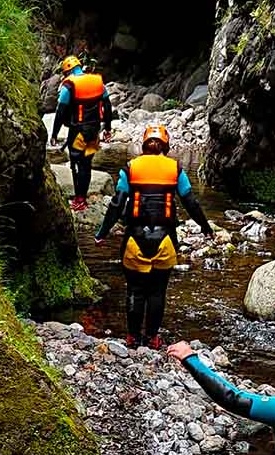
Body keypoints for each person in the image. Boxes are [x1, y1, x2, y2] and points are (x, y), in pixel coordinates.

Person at [94, 124, 213, 349]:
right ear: (165, 146)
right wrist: (205, 227)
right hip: (165, 240)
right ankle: (151, 337)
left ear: (144, 144)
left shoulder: (130, 168)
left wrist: (102, 232)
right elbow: (191, 202)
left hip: (134, 239)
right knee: (157, 292)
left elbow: (117, 204)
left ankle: (132, 337)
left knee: (135, 290)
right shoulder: (175, 168)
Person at [50, 55, 113, 212]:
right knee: (86, 164)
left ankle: (79, 199)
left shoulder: (69, 85)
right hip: (94, 131)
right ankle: (82, 197)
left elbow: (60, 111)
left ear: (67, 71)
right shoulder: (97, 82)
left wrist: (54, 134)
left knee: (76, 165)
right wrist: (108, 128)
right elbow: (107, 105)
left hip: (78, 132)